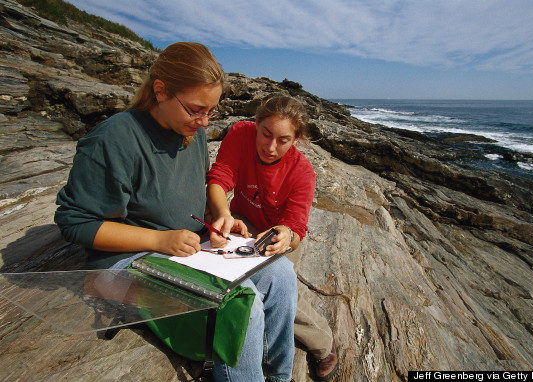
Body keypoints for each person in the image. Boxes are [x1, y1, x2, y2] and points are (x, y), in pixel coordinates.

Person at [54, 42, 297, 382]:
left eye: (212, 111)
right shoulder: (114, 139)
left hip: (186, 249)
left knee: (282, 274)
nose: (204, 122)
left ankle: (279, 376)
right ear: (160, 91)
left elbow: (184, 195)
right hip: (120, 265)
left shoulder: (191, 133)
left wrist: (217, 217)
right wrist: (160, 239)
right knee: (243, 306)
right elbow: (74, 223)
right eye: (196, 110)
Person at [206, 95, 339, 381]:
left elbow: (296, 229)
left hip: (277, 235)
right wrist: (222, 212)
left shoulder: (302, 172)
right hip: (242, 223)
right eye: (266, 134)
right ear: (255, 124)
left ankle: (322, 345)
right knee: (245, 282)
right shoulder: (240, 134)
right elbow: (220, 177)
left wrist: (286, 235)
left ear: (297, 139)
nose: (270, 147)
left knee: (282, 288)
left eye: (283, 140)